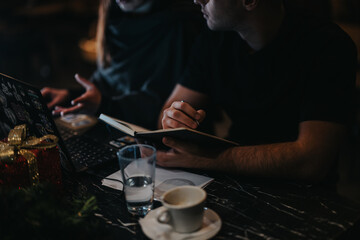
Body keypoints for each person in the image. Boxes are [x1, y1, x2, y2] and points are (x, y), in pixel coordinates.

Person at [157, 0, 357, 182]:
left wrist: (206, 158)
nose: (197, 0)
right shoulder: (213, 38)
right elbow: (166, 114)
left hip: (305, 193)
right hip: (235, 178)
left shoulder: (328, 46)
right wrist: (173, 118)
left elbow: (311, 162)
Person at [41, 0, 204, 129]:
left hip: (161, 143)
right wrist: (72, 97)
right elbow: (106, 87)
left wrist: (104, 105)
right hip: (114, 129)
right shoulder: (115, 18)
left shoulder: (183, 24)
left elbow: (163, 108)